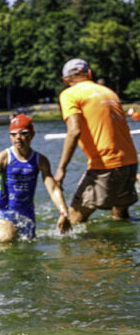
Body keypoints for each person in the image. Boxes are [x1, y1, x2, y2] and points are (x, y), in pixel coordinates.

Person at [0, 115, 71, 242]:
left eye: (23, 133)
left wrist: (63, 212)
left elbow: (53, 188)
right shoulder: (4, 157)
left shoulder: (40, 160)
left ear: (32, 134)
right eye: (13, 134)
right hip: (4, 212)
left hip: (27, 215)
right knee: (5, 239)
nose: (18, 138)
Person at [54, 58, 138, 222]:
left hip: (105, 164)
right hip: (130, 161)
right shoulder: (109, 92)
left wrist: (61, 168)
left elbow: (74, 130)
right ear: (89, 74)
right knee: (120, 217)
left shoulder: (69, 94)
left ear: (65, 80)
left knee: (73, 219)